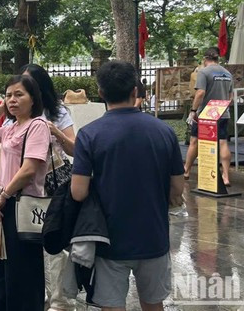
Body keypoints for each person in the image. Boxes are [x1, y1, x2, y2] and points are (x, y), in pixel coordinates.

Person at [71, 61, 185, 311]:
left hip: (109, 240)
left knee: (111, 305)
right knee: (154, 304)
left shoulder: (89, 134)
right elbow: (177, 188)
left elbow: (78, 192)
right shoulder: (164, 131)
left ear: (100, 93)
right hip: (153, 236)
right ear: (136, 90)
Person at [0, 74, 51, 311]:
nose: (12, 100)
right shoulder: (12, 127)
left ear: (33, 99)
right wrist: (2, 109)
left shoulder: (37, 126)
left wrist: (2, 197)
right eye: (8, 95)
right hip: (5, 202)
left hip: (21, 203)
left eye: (19, 94)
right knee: (2, 263)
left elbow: (29, 169)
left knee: (23, 269)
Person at [21, 64, 76, 311]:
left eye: (28, 84)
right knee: (30, 240)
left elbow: (75, 149)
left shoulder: (57, 112)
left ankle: (61, 300)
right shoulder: (19, 112)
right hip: (26, 185)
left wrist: (56, 133)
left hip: (54, 183)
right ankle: (40, 291)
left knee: (55, 241)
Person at [184, 47, 234, 185]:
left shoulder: (203, 72)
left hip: (205, 114)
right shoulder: (227, 73)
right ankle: (225, 176)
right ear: (217, 59)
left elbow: (200, 93)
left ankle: (186, 170)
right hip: (223, 113)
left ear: (205, 59)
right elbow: (231, 97)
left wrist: (193, 111)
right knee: (223, 142)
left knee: (195, 141)